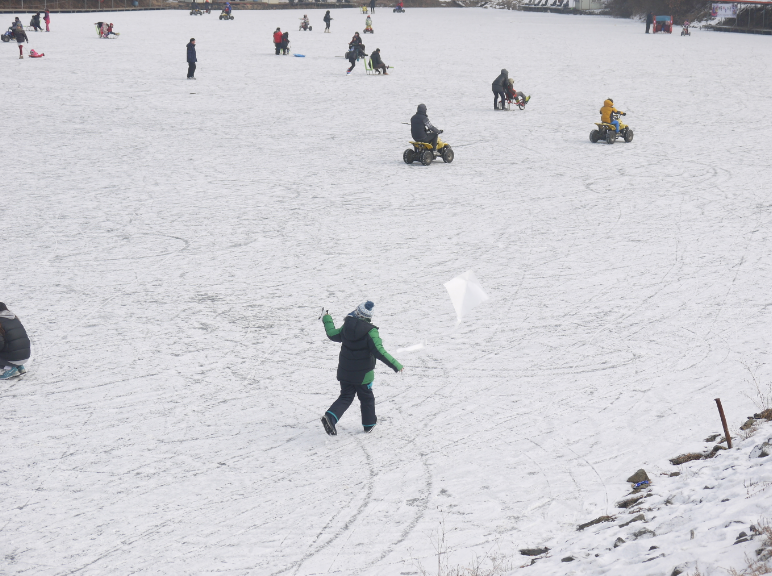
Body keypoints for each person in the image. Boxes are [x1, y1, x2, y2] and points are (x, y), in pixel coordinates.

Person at [320, 302, 402, 435]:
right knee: (367, 398)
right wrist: (396, 365)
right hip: (363, 375)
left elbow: (332, 334)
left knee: (346, 396)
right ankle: (369, 424)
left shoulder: (347, 326)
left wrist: (326, 318)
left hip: (345, 372)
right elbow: (379, 351)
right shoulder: (371, 331)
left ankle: (331, 417)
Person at [0, 303, 30, 380]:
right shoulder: (14, 318)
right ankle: (19, 367)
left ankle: (10, 369)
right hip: (25, 356)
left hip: (14, 358)